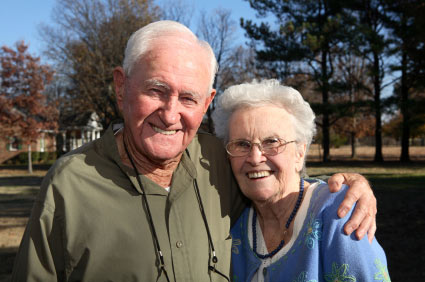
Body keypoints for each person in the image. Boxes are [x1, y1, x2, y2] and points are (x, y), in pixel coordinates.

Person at [12, 21, 376, 282]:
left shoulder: (218, 159)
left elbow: (275, 181)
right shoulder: (70, 183)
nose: (170, 114)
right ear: (121, 86)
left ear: (207, 103)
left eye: (188, 97)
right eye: (156, 90)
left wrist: (348, 187)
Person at [212, 79, 390, 282]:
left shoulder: (338, 215)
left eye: (271, 142)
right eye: (242, 144)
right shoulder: (233, 221)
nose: (254, 158)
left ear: (300, 153)